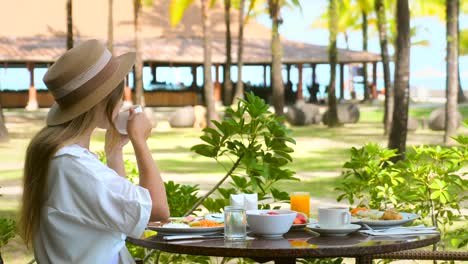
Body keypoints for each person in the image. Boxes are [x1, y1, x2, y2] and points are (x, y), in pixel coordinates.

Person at [18, 39, 170, 263]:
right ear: (104, 101)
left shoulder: (60, 157)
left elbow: (121, 212)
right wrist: (140, 141)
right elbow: (157, 210)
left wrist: (114, 152)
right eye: (119, 94)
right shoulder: (74, 166)